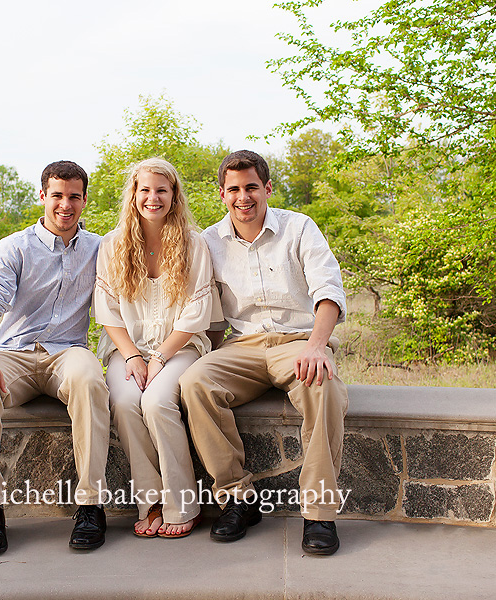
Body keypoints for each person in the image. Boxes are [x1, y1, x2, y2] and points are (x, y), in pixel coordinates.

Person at [180, 150, 349, 556]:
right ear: (222, 194)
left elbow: (328, 291)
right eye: (234, 189)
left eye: (252, 187)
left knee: (322, 387)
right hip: (244, 345)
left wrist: (317, 346)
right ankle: (238, 498)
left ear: (267, 188)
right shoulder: (208, 241)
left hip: (298, 342)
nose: (244, 197)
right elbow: (209, 310)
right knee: (195, 382)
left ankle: (319, 513)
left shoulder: (300, 228)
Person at [0, 160, 110, 555]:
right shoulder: (15, 247)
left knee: (91, 381)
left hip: (68, 352)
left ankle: (91, 505)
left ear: (84, 200)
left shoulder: (99, 248)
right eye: (57, 195)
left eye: (74, 196)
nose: (65, 204)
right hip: (15, 353)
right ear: (42, 197)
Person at [93, 158, 218, 539]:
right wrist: (132, 355)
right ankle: (150, 502)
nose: (152, 197)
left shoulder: (194, 244)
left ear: (174, 195)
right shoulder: (112, 245)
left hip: (180, 346)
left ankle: (183, 504)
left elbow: (196, 313)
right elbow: (107, 309)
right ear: (133, 195)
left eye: (161, 190)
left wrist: (160, 357)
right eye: (144, 190)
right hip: (127, 347)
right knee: (127, 402)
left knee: (158, 401)